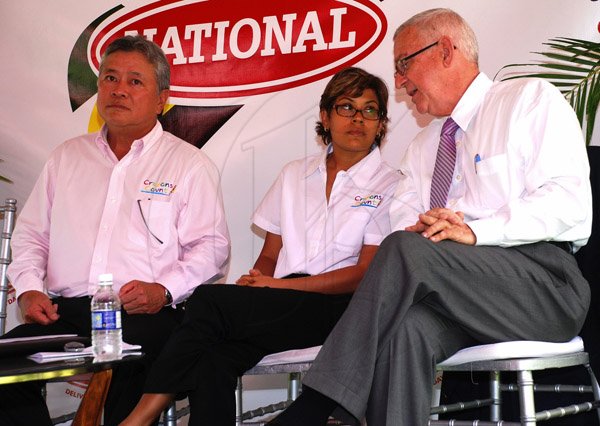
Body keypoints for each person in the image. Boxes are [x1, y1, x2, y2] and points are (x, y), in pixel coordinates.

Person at [268, 8, 592, 426]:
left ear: (444, 50)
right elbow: (405, 228)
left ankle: (314, 405)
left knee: (408, 250)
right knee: (408, 331)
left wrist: (474, 230)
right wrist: (431, 233)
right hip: (458, 297)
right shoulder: (421, 148)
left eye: (404, 64)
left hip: (543, 287)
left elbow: (569, 204)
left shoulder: (527, 100)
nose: (400, 82)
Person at [119, 66, 401, 425]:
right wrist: (259, 282)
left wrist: (277, 287)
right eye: (346, 107)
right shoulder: (293, 174)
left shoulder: (391, 184)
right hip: (284, 304)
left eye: (369, 110)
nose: (358, 118)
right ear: (325, 117)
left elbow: (364, 276)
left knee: (208, 299)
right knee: (213, 359)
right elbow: (269, 255)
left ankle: (142, 414)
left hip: (343, 310)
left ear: (381, 124)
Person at [2, 35, 230, 425]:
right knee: (5, 366)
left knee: (135, 368)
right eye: (109, 78)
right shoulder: (66, 157)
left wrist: (164, 290)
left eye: (135, 81)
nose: (119, 90)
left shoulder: (188, 164)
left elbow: (210, 248)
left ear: (162, 98)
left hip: (144, 314)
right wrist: (28, 288)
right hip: (67, 313)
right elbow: (32, 236)